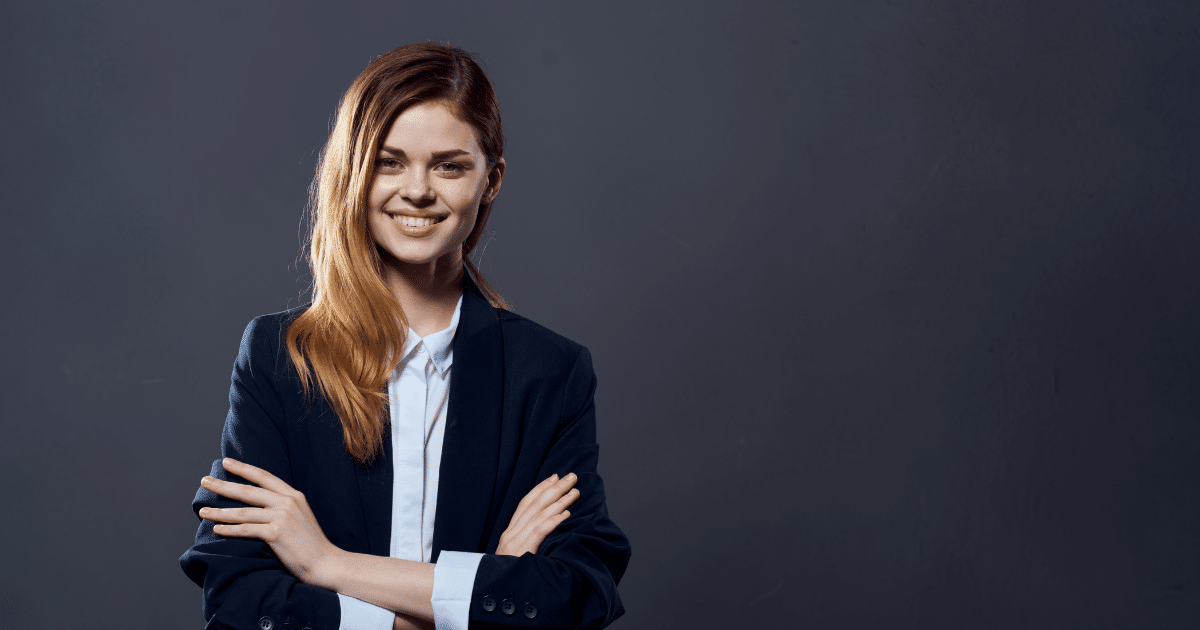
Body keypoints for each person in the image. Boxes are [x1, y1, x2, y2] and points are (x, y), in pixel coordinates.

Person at [179, 42, 630, 630]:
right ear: (354, 173)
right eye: (389, 162)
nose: (416, 190)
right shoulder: (279, 357)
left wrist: (326, 563)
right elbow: (239, 603)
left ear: (490, 181)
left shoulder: (549, 373)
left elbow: (575, 597)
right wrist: (473, 590)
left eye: (449, 165)